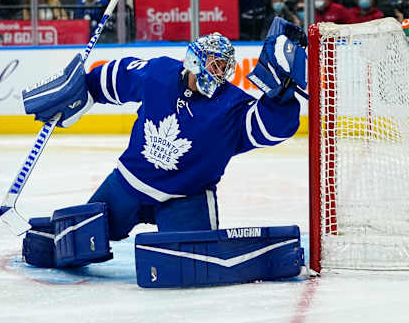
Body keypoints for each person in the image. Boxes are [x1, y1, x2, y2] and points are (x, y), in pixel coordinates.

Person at [22, 21, 307, 272]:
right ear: (195, 61)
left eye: (224, 67)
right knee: (82, 241)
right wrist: (80, 91)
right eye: (215, 64)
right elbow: (116, 77)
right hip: (130, 183)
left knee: (191, 261)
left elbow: (269, 129)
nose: (220, 73)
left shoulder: (232, 106)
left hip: (187, 196)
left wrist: (279, 97)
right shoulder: (159, 74)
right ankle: (43, 242)